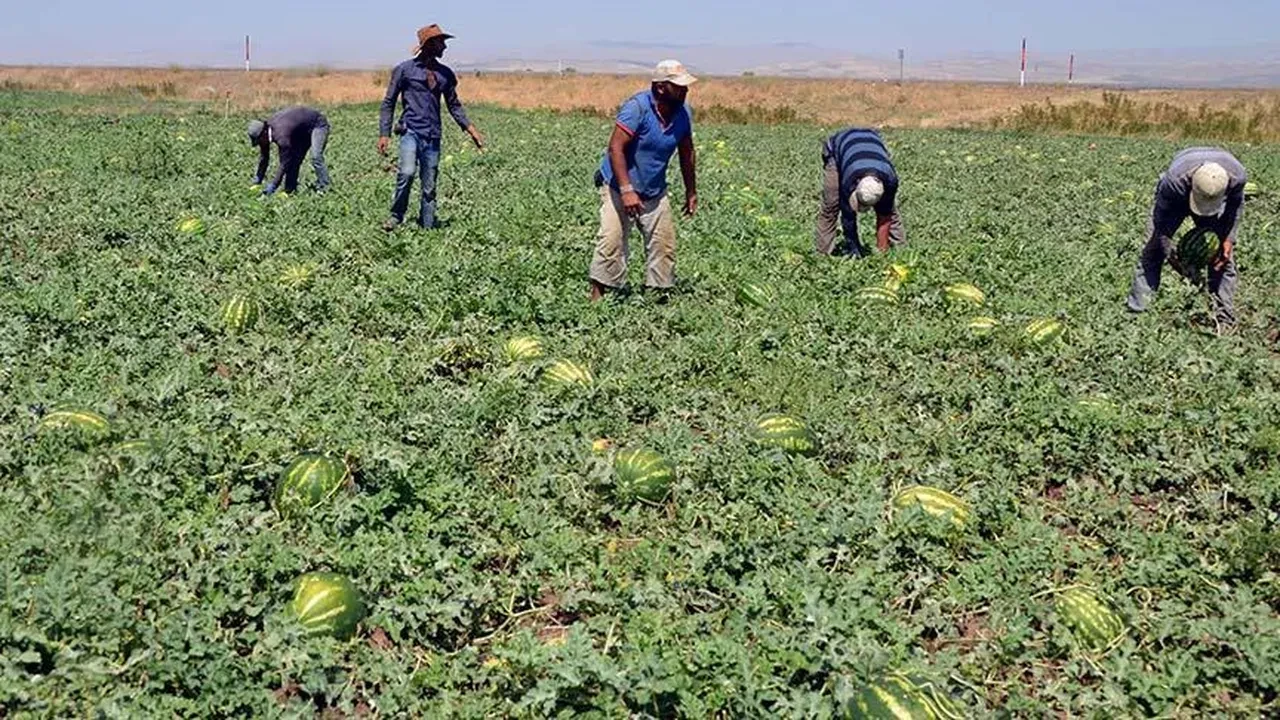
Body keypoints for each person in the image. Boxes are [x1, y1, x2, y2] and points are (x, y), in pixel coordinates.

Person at [588, 60, 698, 302]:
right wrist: (627, 191)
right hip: (618, 185)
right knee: (612, 240)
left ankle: (658, 299)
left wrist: (691, 191)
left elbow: (687, 152)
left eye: (685, 86)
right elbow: (615, 148)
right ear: (660, 87)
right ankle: (598, 302)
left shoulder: (683, 113)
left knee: (663, 244)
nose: (685, 90)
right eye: (678, 86)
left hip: (654, 189)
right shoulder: (637, 108)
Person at [378, 24, 485, 231]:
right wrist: (384, 134)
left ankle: (427, 226)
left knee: (429, 186)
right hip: (410, 131)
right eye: (440, 42)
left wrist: (471, 129)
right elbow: (388, 102)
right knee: (407, 173)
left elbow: (454, 105)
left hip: (433, 135)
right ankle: (396, 216)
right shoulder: (404, 70)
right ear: (429, 44)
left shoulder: (445, 74)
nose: (444, 46)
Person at [1126, 147, 1246, 328]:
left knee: (1223, 259)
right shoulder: (1174, 182)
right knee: (1152, 253)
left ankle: (1224, 319)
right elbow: (1161, 226)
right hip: (1176, 198)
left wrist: (1228, 239)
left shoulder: (1237, 177)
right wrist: (1170, 255)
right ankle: (1137, 315)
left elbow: (1235, 208)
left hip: (1213, 190)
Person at [815, 127, 905, 257]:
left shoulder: (890, 180)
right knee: (831, 205)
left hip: (872, 148)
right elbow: (848, 218)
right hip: (838, 148)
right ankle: (822, 255)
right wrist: (854, 251)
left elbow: (885, 216)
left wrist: (881, 254)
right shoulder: (849, 179)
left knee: (890, 210)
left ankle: (901, 252)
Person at [247, 106, 330, 195]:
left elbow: (284, 163)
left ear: (264, 133)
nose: (260, 144)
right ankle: (290, 190)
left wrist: (273, 186)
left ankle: (324, 187)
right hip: (300, 130)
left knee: (316, 156)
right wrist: (257, 180)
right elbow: (264, 158)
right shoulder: (265, 133)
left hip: (317, 125)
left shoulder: (281, 136)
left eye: (259, 141)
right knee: (295, 160)